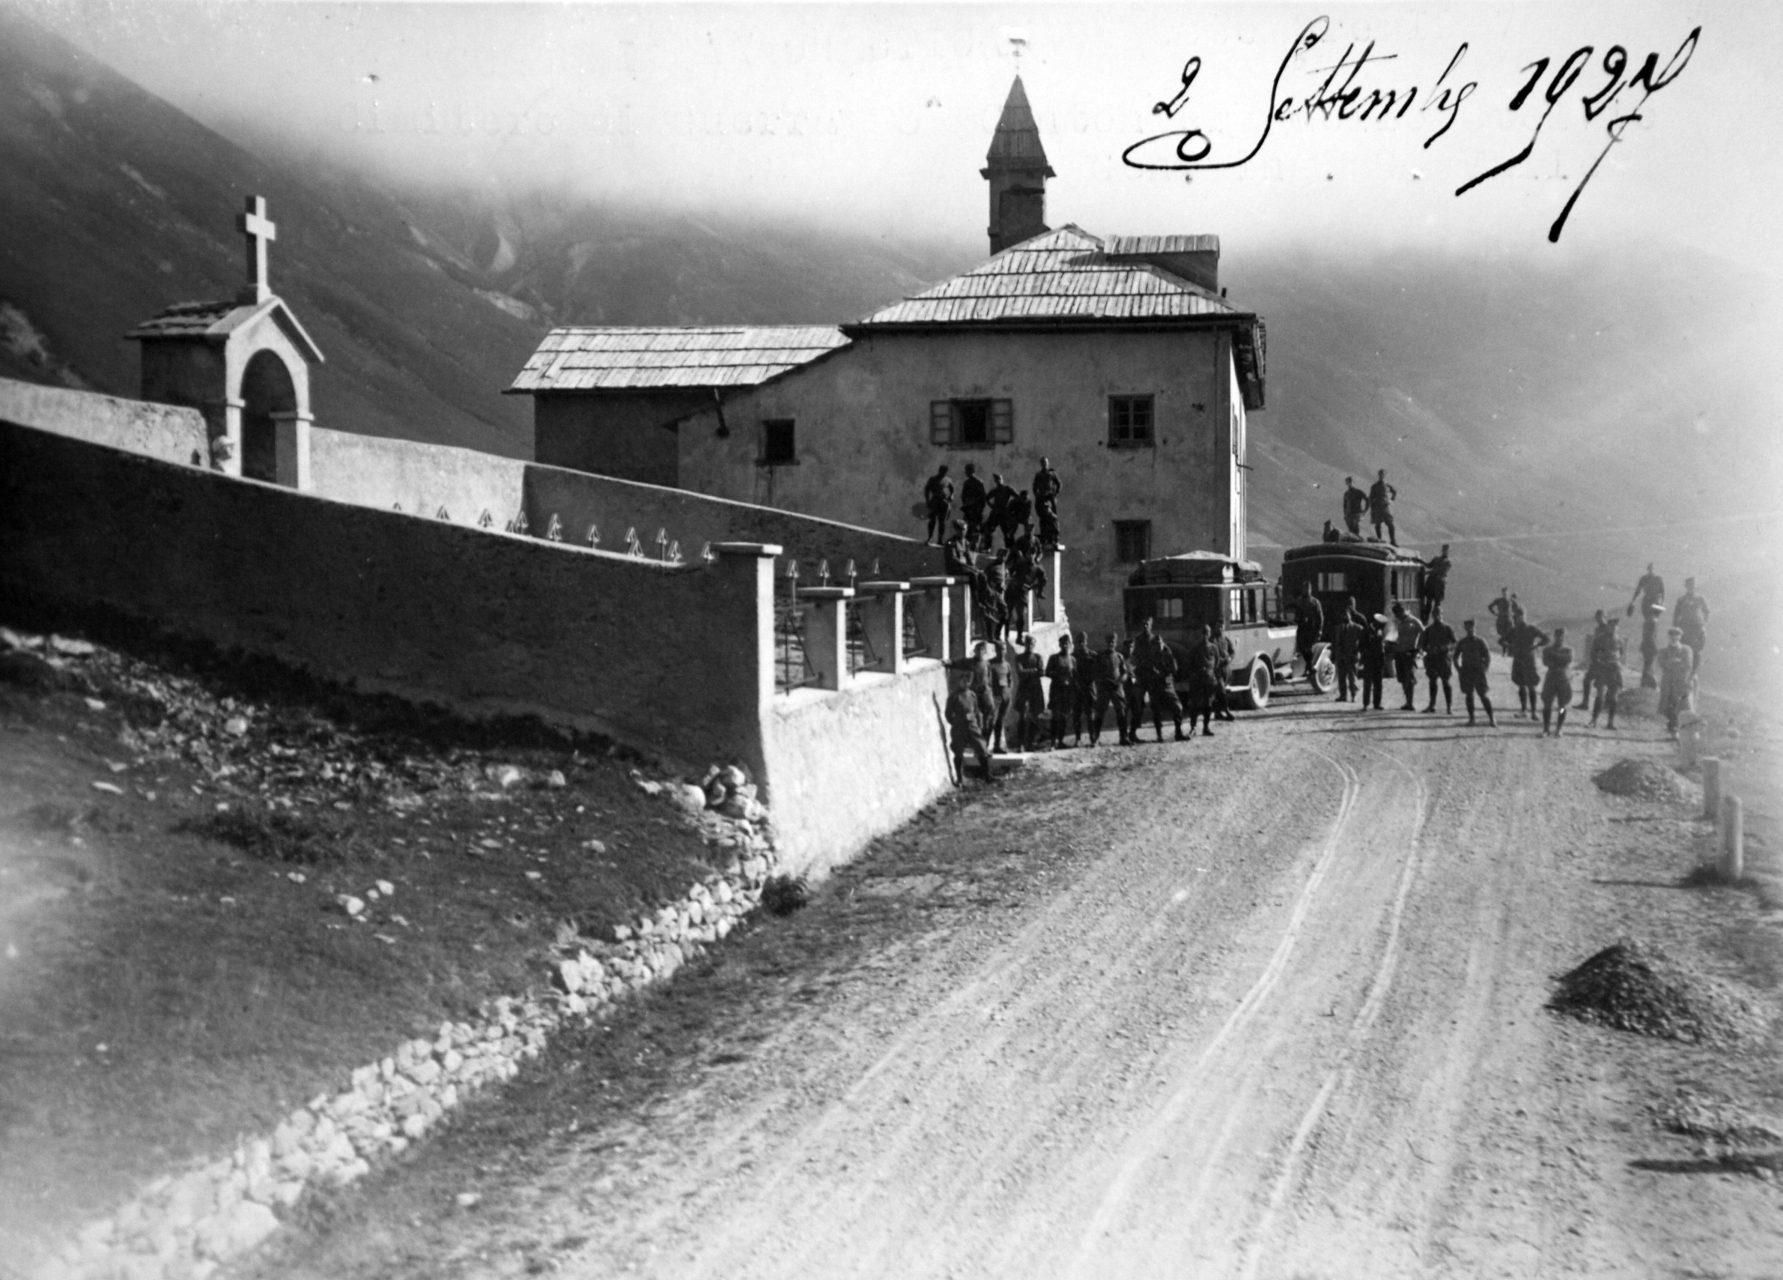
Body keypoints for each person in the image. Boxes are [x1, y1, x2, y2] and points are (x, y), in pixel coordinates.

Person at [1134, 619, 1186, 742]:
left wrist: (1164, 672)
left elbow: (1174, 669)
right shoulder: (1149, 657)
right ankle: (1159, 735)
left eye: (1160, 644)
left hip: (1167, 685)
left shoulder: (1167, 654)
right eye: (1155, 645)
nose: (1158, 646)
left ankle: (1178, 732)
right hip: (1155, 685)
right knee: (1156, 710)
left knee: (1178, 707)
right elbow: (1141, 665)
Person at [945, 661, 995, 783]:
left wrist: (978, 724)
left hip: (973, 727)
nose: (966, 683)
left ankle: (987, 775)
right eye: (963, 680)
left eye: (968, 681)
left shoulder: (972, 695)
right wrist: (958, 722)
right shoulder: (954, 696)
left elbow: (977, 711)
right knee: (958, 753)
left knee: (982, 749)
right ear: (959, 681)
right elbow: (948, 715)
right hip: (959, 728)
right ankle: (959, 778)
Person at [1090, 633, 1132, 746]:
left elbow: (1124, 672)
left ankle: (1123, 737)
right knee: (1100, 713)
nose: (1111, 644)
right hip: (1104, 688)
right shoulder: (1100, 657)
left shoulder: (1119, 656)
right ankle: (1096, 738)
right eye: (1109, 641)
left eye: (1113, 642)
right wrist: (1102, 681)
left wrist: (1121, 679)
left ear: (1116, 643)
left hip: (1117, 688)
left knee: (1121, 712)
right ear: (1106, 642)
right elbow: (1095, 672)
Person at [1506, 609, 1549, 720]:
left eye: (1519, 616)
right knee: (1521, 685)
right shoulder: (1514, 630)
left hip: (1529, 660)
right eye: (1516, 617)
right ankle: (1523, 710)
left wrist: (1535, 646)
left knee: (1531, 686)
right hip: (1518, 660)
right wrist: (1511, 647)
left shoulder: (1531, 628)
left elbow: (1546, 639)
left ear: (1524, 616)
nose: (1518, 619)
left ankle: (1533, 712)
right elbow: (1502, 640)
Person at [1454, 618, 1496, 727]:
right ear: (1465, 628)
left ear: (1474, 627)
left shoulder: (1480, 641)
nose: (1469, 629)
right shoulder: (1462, 642)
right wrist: (1459, 669)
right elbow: (1455, 656)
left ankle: (1492, 719)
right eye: (1467, 627)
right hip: (1466, 671)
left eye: (1471, 627)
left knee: (1483, 695)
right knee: (1469, 695)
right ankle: (1471, 719)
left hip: (1478, 671)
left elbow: (1487, 656)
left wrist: (1485, 668)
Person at [1655, 626, 1695, 740]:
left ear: (1680, 637)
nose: (1674, 638)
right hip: (1668, 682)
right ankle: (1672, 728)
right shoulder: (1663, 651)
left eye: (1677, 635)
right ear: (1669, 637)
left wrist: (1672, 663)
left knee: (1681, 705)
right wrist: (1677, 662)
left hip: (1681, 682)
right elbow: (1663, 663)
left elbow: (1687, 664)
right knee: (1668, 704)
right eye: (1672, 635)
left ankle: (1679, 729)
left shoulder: (1686, 650)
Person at [1587, 614, 1626, 729]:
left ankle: (1610, 722)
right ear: (1608, 626)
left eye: (1616, 626)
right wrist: (1599, 663)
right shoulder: (1599, 639)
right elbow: (1593, 654)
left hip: (1615, 670)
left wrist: (1616, 663)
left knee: (1614, 698)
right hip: (1603, 669)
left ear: (1618, 628)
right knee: (1600, 696)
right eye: (1611, 626)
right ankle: (1594, 720)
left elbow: (1622, 654)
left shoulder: (1620, 640)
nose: (1614, 628)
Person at [1011, 635, 1047, 752]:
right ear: (1024, 645)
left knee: (1034, 716)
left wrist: (1030, 672)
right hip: (1024, 689)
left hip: (1035, 690)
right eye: (1028, 644)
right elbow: (1020, 672)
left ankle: (1030, 743)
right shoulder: (1019, 658)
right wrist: (1034, 671)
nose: (1030, 646)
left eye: (1032, 644)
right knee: (1023, 716)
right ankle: (1020, 744)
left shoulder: (1037, 657)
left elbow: (1042, 672)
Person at [1184, 624, 1222, 736]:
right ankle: (1193, 728)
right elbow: (1189, 664)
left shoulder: (1214, 647)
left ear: (1210, 634)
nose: (1205, 635)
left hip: (1209, 680)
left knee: (1208, 704)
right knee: (1194, 704)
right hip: (1198, 680)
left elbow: (1217, 663)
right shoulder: (1195, 648)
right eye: (1203, 632)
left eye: (1207, 632)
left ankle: (1206, 727)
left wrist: (1210, 672)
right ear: (1201, 634)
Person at [1419, 604, 1456, 714]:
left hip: (1444, 658)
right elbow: (1423, 644)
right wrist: (1429, 650)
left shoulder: (1447, 628)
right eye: (1435, 614)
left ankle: (1449, 707)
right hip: (1432, 658)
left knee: (1446, 682)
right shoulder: (1429, 630)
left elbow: (1455, 643)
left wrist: (1447, 647)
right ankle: (1432, 705)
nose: (1437, 616)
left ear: (1442, 615)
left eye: (1439, 614)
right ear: (1432, 616)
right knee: (1432, 682)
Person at [1539, 626, 1575, 737]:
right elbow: (1546, 662)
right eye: (1558, 636)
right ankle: (1546, 729)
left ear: (1565, 637)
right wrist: (1560, 660)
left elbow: (1568, 659)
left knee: (1562, 706)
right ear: (1554, 637)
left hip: (1563, 679)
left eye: (1562, 636)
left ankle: (1559, 728)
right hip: (1551, 678)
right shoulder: (1547, 650)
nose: (1560, 638)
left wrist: (1555, 657)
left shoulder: (1568, 650)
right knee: (1547, 705)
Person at [1044, 634, 1078, 750]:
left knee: (1064, 717)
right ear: (1059, 645)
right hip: (1056, 691)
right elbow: (1047, 672)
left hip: (1067, 692)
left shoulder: (1072, 659)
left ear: (1070, 645)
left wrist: (1071, 684)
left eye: (1067, 644)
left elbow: (1075, 675)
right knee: (1055, 717)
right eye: (1063, 644)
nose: (1065, 646)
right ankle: (1053, 743)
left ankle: (1061, 741)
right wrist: (1059, 676)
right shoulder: (1054, 658)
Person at [1389, 602, 1423, 710]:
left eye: (1398, 613)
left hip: (1409, 653)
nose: (1396, 615)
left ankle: (1410, 702)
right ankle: (1407, 702)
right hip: (1399, 653)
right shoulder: (1397, 622)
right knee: (1402, 678)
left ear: (1402, 611)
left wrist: (1419, 647)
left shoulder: (1414, 621)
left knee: (1409, 678)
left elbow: (1424, 633)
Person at [1673, 576, 1709, 675]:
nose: (1691, 587)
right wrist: (1675, 628)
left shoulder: (1700, 598)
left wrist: (1702, 623)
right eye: (1689, 585)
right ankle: (1684, 676)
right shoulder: (1681, 599)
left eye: (1692, 585)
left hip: (1697, 629)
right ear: (1686, 586)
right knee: (1683, 651)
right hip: (1684, 629)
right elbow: (1676, 614)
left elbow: (1707, 611)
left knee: (1696, 652)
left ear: (1695, 586)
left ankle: (1693, 675)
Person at [1576, 610, 1612, 710]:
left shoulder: (1608, 629)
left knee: (1604, 684)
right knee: (1587, 680)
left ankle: (1605, 704)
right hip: (1596, 659)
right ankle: (1585, 703)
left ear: (1604, 617)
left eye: (1600, 617)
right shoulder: (1597, 629)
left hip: (1605, 660)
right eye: (1597, 617)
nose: (1598, 619)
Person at [984, 639, 1013, 752]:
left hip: (1005, 695)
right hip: (994, 696)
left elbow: (1010, 680)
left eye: (1004, 649)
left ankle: (997, 746)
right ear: (996, 651)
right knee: (991, 721)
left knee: (1000, 721)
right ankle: (984, 747)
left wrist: (1008, 692)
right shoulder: (990, 664)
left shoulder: (1007, 665)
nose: (1002, 652)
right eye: (1000, 649)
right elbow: (987, 681)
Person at [1293, 583, 1325, 683]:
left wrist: (1319, 630)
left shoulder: (1315, 602)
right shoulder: (1298, 601)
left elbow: (1320, 617)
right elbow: (1294, 613)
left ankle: (1309, 667)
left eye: (1309, 588)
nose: (1307, 590)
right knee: (1302, 647)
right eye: (1305, 588)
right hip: (1301, 628)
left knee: (1309, 648)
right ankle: (1309, 667)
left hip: (1311, 629)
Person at [1209, 617, 1237, 721]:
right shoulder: (1212, 640)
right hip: (1217, 670)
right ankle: (1226, 710)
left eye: (1221, 627)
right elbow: (1211, 655)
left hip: (1226, 670)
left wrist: (1229, 658)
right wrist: (1219, 660)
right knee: (1220, 690)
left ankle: (1217, 713)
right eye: (1218, 627)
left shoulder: (1225, 639)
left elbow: (1232, 651)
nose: (1220, 629)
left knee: (1219, 691)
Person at [1072, 629, 1096, 745]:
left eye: (1084, 641)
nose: (1082, 643)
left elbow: (1098, 671)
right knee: (1077, 714)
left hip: (1089, 688)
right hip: (1077, 688)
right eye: (1079, 641)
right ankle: (1078, 738)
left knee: (1090, 714)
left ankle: (1092, 737)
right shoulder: (1073, 656)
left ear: (1086, 642)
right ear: (1077, 642)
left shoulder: (1093, 655)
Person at [1358, 614, 1388, 711]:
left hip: (1378, 661)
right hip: (1369, 660)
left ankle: (1377, 703)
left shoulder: (1381, 632)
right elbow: (1361, 646)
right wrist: (1364, 657)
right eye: (1381, 625)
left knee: (1378, 683)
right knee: (1367, 683)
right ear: (1376, 623)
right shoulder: (1366, 631)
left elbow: (1382, 646)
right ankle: (1365, 704)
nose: (1382, 627)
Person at [1333, 607, 1363, 702]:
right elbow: (1334, 643)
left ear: (1350, 616)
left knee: (1352, 677)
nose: (1345, 616)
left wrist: (1358, 652)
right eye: (1343, 615)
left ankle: (1353, 695)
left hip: (1352, 656)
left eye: (1347, 614)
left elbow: (1363, 642)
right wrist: (1334, 655)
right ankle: (1343, 695)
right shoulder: (1337, 629)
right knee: (1341, 677)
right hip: (1341, 656)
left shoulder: (1357, 628)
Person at [1419, 543, 1452, 622]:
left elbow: (1441, 571)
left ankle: (1437, 619)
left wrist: (1428, 573)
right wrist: (1421, 561)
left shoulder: (1448, 563)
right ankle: (1425, 619)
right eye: (1444, 549)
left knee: (1437, 604)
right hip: (1431, 582)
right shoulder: (1436, 559)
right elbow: (1429, 565)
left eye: (1446, 550)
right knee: (1428, 602)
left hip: (1439, 584)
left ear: (1448, 551)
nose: (1445, 551)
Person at [922, 465, 953, 545]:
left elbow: (952, 491)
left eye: (944, 471)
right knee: (932, 520)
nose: (943, 473)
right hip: (935, 501)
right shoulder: (933, 479)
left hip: (944, 502)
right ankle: (930, 537)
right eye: (942, 471)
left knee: (942, 522)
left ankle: (940, 539)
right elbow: (927, 490)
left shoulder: (948, 480)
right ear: (939, 470)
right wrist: (927, 501)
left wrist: (950, 498)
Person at [983, 474, 1014, 551]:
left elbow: (1017, 497)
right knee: (988, 530)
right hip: (996, 513)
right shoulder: (995, 490)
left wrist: (1010, 508)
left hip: (1004, 513)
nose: (999, 481)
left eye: (1000, 479)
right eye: (997, 480)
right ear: (995, 481)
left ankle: (1009, 549)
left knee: (1007, 533)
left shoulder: (1007, 489)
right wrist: (992, 507)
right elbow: (986, 498)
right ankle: (988, 548)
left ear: (1002, 479)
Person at [959, 462, 987, 547]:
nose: (966, 473)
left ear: (972, 471)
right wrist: (965, 505)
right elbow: (963, 495)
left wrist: (977, 507)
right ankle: (966, 544)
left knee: (975, 528)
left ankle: (975, 545)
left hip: (976, 509)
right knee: (966, 527)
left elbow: (982, 497)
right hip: (968, 509)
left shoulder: (978, 482)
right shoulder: (966, 482)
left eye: (967, 471)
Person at [1368, 469, 1398, 545]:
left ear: (1385, 475)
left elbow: (1394, 492)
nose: (1381, 476)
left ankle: (1393, 541)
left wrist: (1391, 500)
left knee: (1391, 524)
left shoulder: (1388, 485)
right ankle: (1379, 540)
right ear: (1378, 475)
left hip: (1385, 507)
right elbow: (1371, 497)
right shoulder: (1374, 486)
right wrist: (1373, 507)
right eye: (1380, 474)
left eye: (1383, 474)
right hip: (1377, 507)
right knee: (1378, 525)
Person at [1487, 588, 1515, 656]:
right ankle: (1505, 652)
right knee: (1503, 636)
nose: (1505, 594)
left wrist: (1513, 614)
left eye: (1506, 592)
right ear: (1502, 593)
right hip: (1501, 620)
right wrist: (1495, 613)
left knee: (1509, 636)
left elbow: (1517, 608)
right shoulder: (1498, 600)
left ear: (1508, 593)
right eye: (1504, 592)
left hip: (1509, 620)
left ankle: (1509, 652)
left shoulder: (1511, 600)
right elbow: (1490, 606)